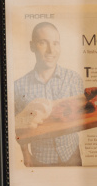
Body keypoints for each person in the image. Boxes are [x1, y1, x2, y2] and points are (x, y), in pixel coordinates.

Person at [13, 22, 84, 166]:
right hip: (41, 159)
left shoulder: (74, 79)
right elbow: (19, 128)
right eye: (43, 43)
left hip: (72, 154)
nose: (51, 50)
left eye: (55, 43)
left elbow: (81, 116)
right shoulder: (18, 86)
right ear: (32, 46)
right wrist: (25, 154)